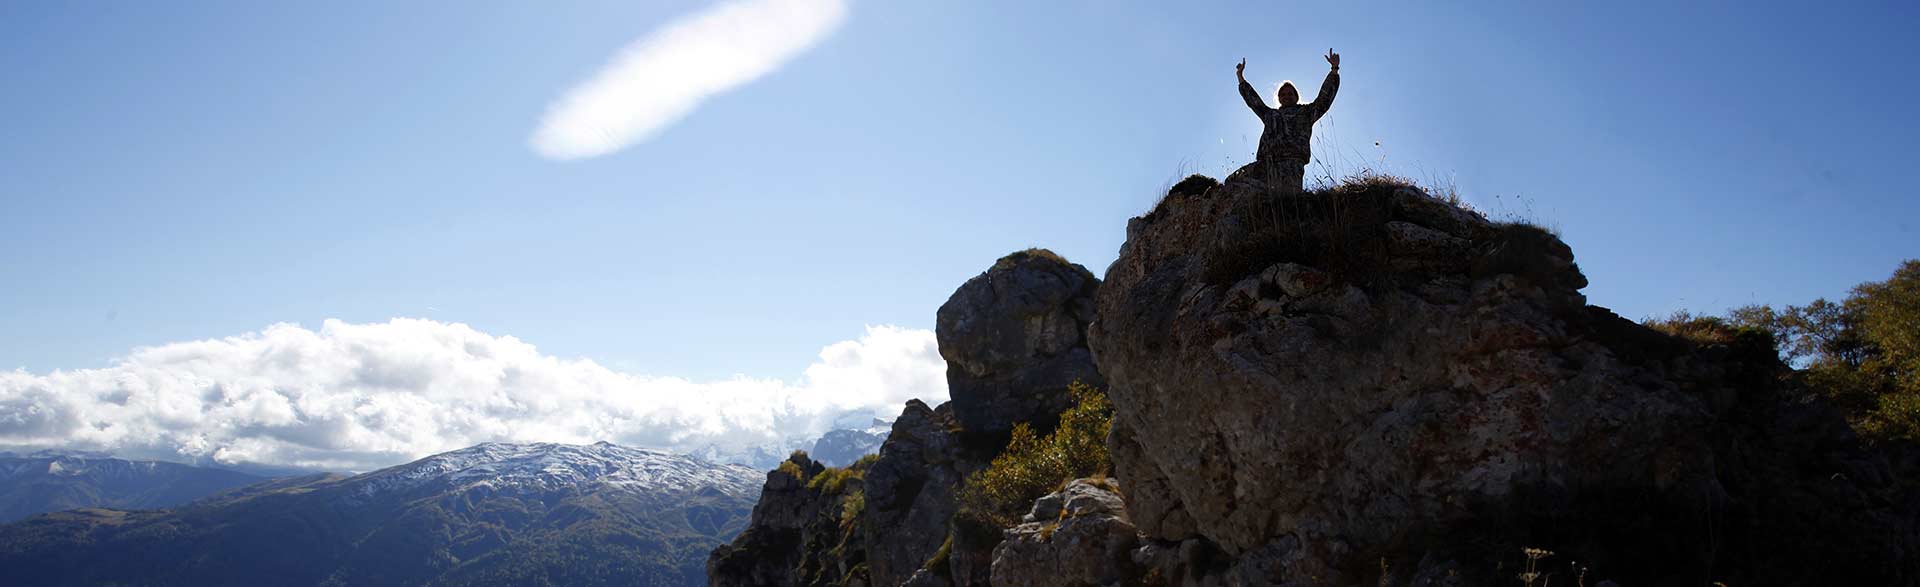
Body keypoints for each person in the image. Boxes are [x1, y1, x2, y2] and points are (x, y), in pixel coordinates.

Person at [1236, 49, 1339, 192]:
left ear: (1297, 97)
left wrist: (1334, 70)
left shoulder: (1306, 112)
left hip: (1291, 163)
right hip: (1266, 164)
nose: (1287, 96)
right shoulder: (1270, 115)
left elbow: (1324, 99)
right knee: (1236, 181)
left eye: (1290, 93)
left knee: (1287, 201)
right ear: (1278, 99)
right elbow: (1253, 101)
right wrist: (1240, 77)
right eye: (1283, 94)